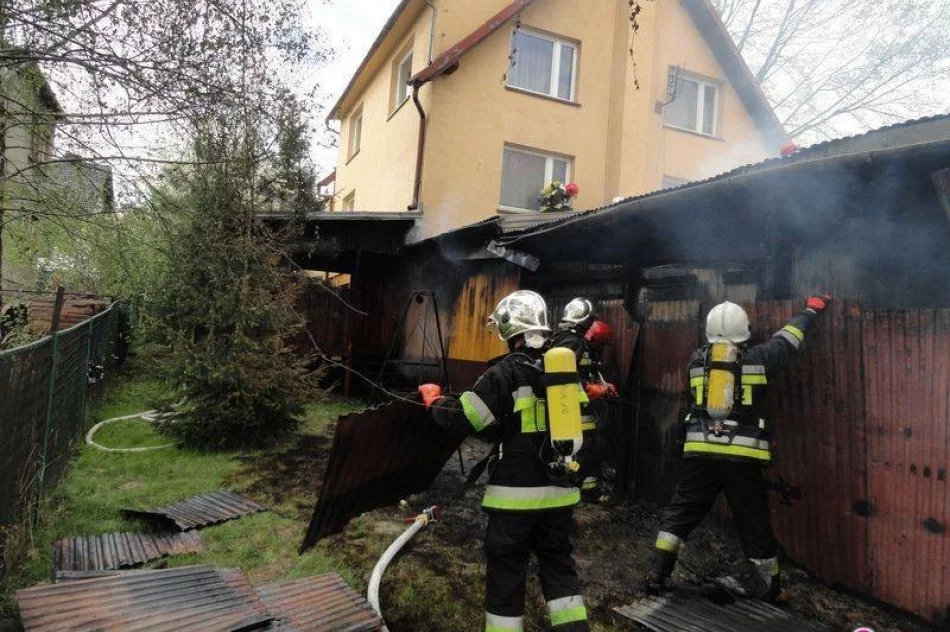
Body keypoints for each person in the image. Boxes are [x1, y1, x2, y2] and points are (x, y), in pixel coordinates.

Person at [418, 290, 590, 632]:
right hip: (560, 494)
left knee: (507, 576)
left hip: (515, 500)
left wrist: (434, 401)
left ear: (509, 331)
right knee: (558, 568)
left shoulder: (506, 372)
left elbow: (467, 419)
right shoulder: (563, 372)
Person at [644, 294, 833, 601]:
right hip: (743, 458)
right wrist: (811, 310)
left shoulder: (695, 362)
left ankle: (656, 576)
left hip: (701, 452)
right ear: (744, 330)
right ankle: (769, 588)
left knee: (680, 513)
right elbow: (788, 340)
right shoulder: (760, 359)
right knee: (753, 521)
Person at [548, 298, 615, 500]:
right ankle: (576, 490)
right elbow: (565, 377)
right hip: (573, 409)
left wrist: (602, 385)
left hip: (571, 409)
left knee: (581, 448)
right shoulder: (573, 341)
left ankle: (579, 488)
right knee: (582, 449)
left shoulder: (565, 338)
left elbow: (581, 373)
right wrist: (588, 390)